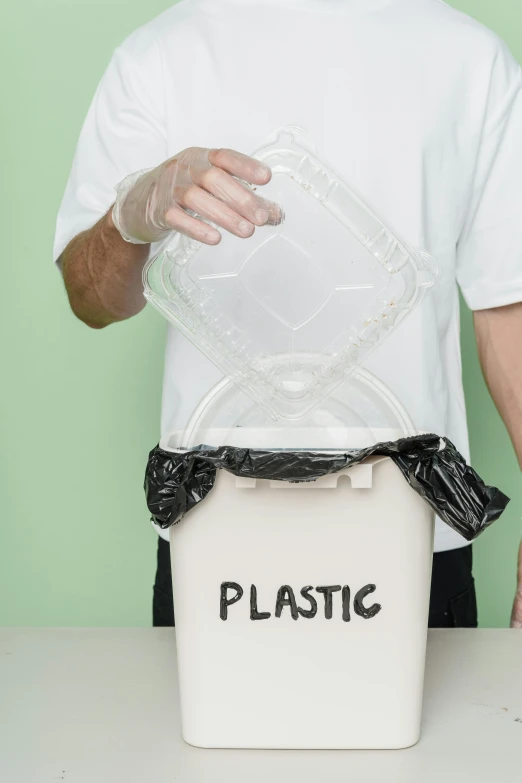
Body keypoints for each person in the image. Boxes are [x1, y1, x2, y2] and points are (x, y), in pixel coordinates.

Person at [54, 0, 522, 628]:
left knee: (430, 729)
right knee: (203, 729)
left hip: (411, 532)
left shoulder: (470, 57)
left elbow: (507, 308)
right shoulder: (158, 56)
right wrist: (129, 215)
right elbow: (90, 301)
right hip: (215, 537)